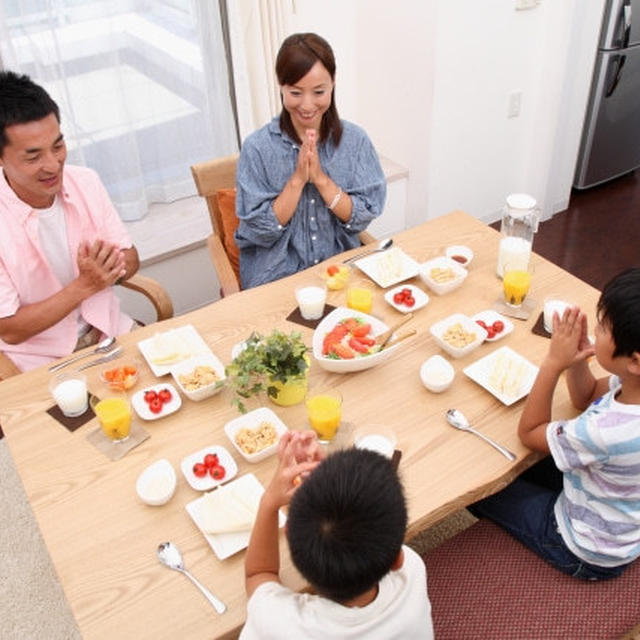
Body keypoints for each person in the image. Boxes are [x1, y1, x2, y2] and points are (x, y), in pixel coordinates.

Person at [469, 267, 640, 580]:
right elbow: (586, 396)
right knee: (520, 466)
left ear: (635, 361)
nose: (596, 330)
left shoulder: (606, 432)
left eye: (603, 327)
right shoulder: (632, 386)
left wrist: (553, 363)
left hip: (585, 547)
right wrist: (578, 360)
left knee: (478, 486)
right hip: (620, 515)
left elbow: (529, 432)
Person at [0, 71, 139, 372]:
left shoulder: (85, 181)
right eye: (33, 156)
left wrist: (108, 270)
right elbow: (10, 328)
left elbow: (131, 258)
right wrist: (85, 285)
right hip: (38, 363)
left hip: (109, 335)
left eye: (58, 146)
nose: (53, 165)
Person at [240, 431, 434, 639]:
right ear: (397, 559)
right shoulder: (412, 571)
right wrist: (328, 483)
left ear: (288, 535)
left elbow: (259, 573)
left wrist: (269, 501)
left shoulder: (277, 621)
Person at [235, 32, 386, 289]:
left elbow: (363, 215)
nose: (307, 105)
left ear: (333, 84)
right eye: (295, 92)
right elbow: (259, 230)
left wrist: (320, 179)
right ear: (281, 86)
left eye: (318, 91)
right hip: (276, 278)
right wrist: (297, 180)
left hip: (340, 272)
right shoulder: (257, 148)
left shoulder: (355, 141)